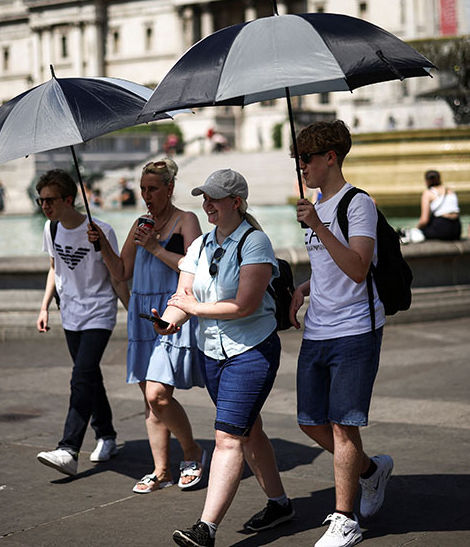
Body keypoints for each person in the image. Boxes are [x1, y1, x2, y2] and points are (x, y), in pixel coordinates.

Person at [158, 169, 293, 547]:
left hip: (251, 351)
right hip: (212, 354)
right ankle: (280, 504)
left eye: (214, 198)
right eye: (204, 198)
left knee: (227, 438)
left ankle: (206, 528)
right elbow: (182, 297)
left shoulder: (255, 243)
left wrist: (193, 309)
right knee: (250, 431)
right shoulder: (199, 245)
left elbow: (245, 305)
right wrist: (167, 322)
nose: (207, 205)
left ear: (236, 202)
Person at [290, 120, 394, 547]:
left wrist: (317, 225)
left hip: (355, 329)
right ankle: (371, 471)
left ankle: (345, 518)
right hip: (318, 328)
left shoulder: (357, 204)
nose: (302, 168)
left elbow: (357, 268)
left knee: (342, 425)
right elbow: (331, 268)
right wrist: (304, 287)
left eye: (307, 159)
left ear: (330, 157)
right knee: (310, 421)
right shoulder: (316, 203)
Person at [86, 159, 207, 494]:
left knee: (159, 395)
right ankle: (161, 469)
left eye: (152, 188)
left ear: (169, 188)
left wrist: (154, 247)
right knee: (150, 400)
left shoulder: (186, 221)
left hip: (170, 313)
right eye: (143, 189)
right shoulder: (140, 223)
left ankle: (192, 452)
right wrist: (103, 247)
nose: (146, 195)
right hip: (142, 312)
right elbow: (122, 271)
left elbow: (196, 267)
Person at [34, 169, 128, 477]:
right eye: (41, 200)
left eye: (50, 200)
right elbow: (54, 268)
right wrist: (44, 306)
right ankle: (107, 435)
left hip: (99, 312)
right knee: (89, 377)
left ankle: (69, 448)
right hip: (70, 313)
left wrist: (132, 310)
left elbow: (117, 274)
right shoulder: (51, 229)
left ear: (68, 199)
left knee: (81, 376)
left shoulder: (101, 230)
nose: (45, 206)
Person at [407, 170, 461, 242]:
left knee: (417, 234)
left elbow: (424, 220)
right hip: (456, 229)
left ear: (426, 181)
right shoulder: (450, 191)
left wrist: (416, 229)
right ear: (439, 179)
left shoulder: (428, 193)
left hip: (442, 228)